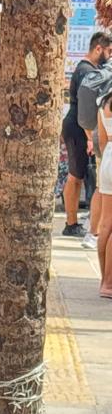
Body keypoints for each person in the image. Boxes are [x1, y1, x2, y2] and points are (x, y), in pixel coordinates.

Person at [61, 32, 111, 238]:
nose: (109, 55)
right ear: (97, 48)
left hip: (78, 126)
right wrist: (90, 136)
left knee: (77, 175)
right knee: (76, 176)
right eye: (108, 51)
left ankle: (71, 221)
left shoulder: (86, 70)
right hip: (79, 128)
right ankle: (71, 222)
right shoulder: (86, 72)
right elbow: (85, 107)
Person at [98, 93, 112, 296]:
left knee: (106, 223)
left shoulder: (104, 103)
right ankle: (109, 283)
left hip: (108, 157)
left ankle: (104, 279)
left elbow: (101, 142)